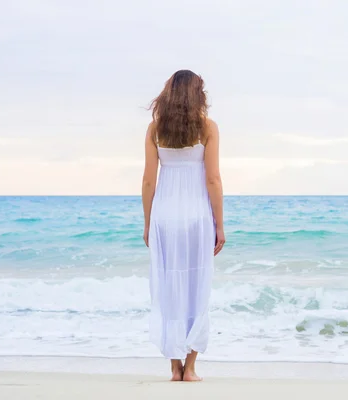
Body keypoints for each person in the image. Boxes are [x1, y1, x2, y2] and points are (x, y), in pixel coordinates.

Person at [141, 70, 225, 382]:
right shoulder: (208, 128)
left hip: (165, 215)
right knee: (196, 287)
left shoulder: (155, 129)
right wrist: (220, 225)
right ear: (197, 95)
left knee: (168, 288)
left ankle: (174, 368)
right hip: (197, 217)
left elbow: (149, 180)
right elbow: (213, 179)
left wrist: (149, 223)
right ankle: (190, 368)